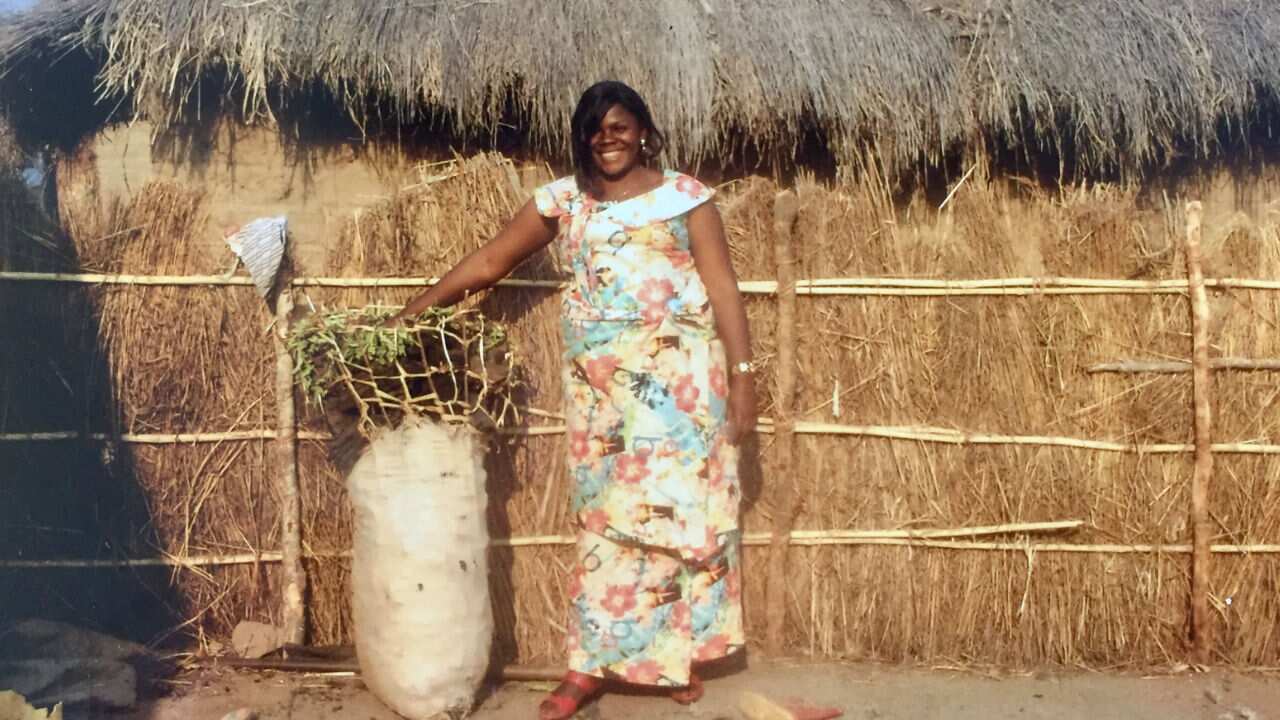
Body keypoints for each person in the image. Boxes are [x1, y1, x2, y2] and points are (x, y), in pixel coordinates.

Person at [386, 80, 755, 719]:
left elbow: (723, 289)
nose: (607, 139)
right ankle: (589, 666)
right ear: (582, 137)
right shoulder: (565, 202)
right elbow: (489, 261)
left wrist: (745, 379)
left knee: (676, 514)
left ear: (643, 130)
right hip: (602, 393)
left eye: (619, 126)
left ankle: (673, 660)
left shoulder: (685, 199)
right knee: (607, 519)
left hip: (682, 390)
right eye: (594, 129)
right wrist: (409, 314)